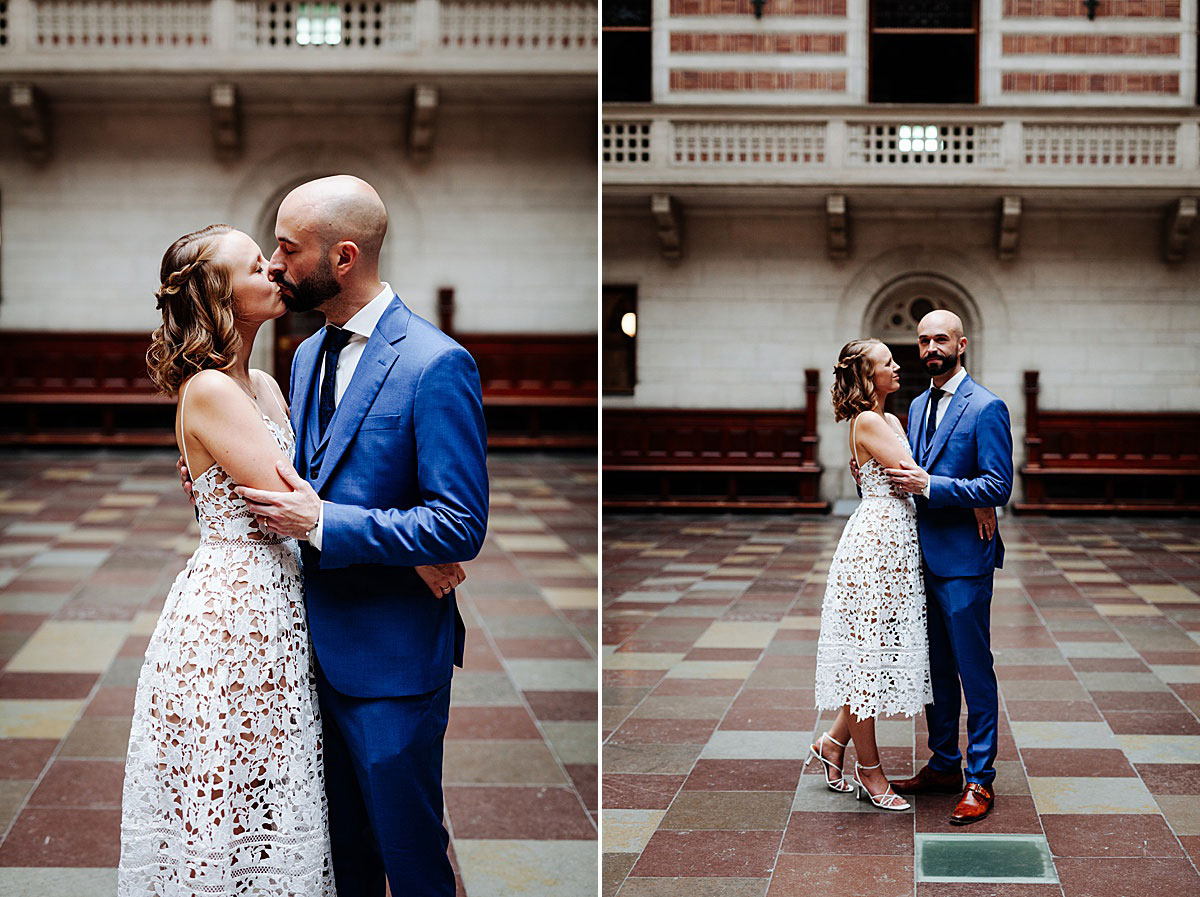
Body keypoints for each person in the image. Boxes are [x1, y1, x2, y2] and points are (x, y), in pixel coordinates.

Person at [122, 224, 468, 895]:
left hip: (288, 601)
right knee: (237, 794)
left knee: (290, 795)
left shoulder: (266, 382)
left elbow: (313, 491)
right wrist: (414, 555)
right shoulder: (214, 390)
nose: (275, 269)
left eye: (277, 254)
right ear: (222, 297)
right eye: (258, 264)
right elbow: (295, 498)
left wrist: (412, 544)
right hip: (234, 616)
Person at [880, 309, 1013, 825]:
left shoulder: (987, 406)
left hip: (964, 561)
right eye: (923, 340)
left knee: (973, 667)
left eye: (940, 339)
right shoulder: (915, 405)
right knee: (934, 668)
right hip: (922, 555)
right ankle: (942, 765)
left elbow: (998, 485)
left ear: (961, 345)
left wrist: (941, 489)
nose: (930, 347)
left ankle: (980, 779)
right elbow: (916, 465)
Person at [810, 338, 933, 811]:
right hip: (875, 547)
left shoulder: (892, 420)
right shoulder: (866, 420)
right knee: (867, 657)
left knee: (874, 655)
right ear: (868, 376)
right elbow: (911, 472)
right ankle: (871, 771)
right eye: (888, 363)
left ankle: (832, 744)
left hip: (898, 541)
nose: (898, 366)